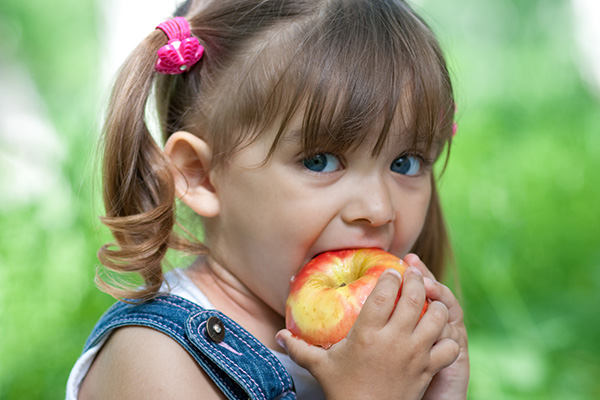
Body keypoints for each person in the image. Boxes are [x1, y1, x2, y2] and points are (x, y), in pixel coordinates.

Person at [67, 0, 469, 398]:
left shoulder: (382, 349)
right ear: (201, 176)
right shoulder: (156, 359)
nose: (378, 209)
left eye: (406, 163)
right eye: (320, 160)